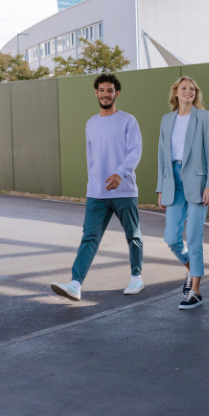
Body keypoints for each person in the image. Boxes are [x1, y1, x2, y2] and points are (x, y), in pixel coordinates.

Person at [52, 73, 144, 301]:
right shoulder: (91, 124)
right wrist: (93, 183)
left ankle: (136, 277)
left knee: (133, 236)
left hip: (124, 190)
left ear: (117, 93)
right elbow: (90, 158)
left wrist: (121, 174)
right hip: (97, 193)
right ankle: (75, 284)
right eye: (101, 90)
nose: (105, 94)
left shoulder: (128, 121)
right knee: (89, 238)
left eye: (110, 90)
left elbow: (135, 152)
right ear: (96, 92)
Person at [157, 76, 209, 310]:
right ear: (175, 93)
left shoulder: (204, 117)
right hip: (173, 181)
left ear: (196, 93)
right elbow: (162, 156)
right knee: (171, 238)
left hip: (197, 182)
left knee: (193, 238)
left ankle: (196, 291)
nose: (188, 92)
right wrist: (160, 187)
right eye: (183, 88)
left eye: (191, 89)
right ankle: (191, 270)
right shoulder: (166, 120)